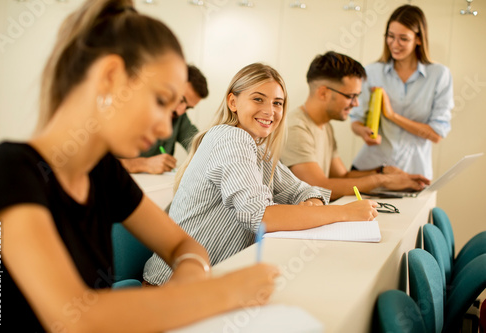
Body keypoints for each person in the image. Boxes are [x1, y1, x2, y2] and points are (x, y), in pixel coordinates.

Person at [0, 1, 279, 332]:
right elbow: (75, 319)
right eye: (160, 101)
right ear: (111, 77)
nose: (166, 130)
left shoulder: (103, 173)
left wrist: (190, 280)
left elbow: (184, 246)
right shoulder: (8, 170)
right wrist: (222, 292)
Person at [143, 63, 379, 286]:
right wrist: (341, 213)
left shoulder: (258, 148)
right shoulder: (231, 138)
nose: (270, 111)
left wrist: (312, 204)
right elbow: (258, 216)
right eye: (258, 99)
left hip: (206, 286)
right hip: (171, 289)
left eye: (278, 103)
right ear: (233, 102)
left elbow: (304, 189)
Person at [281, 51, 429, 200]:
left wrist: (383, 171)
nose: (356, 103)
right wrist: (382, 180)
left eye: (357, 96)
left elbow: (342, 176)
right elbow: (318, 187)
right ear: (323, 93)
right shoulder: (296, 128)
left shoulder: (325, 127)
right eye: (350, 96)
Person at [350, 5, 454, 180]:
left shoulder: (439, 75)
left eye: (403, 39)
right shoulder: (371, 72)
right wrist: (363, 132)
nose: (394, 44)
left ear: (419, 39)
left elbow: (436, 135)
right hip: (372, 169)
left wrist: (391, 115)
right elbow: (356, 120)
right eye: (390, 36)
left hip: (414, 173)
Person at [120, 64, 209, 174]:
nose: (180, 111)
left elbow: (200, 145)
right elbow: (96, 164)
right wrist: (143, 164)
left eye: (188, 108)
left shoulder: (180, 117)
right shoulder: (124, 107)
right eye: (181, 100)